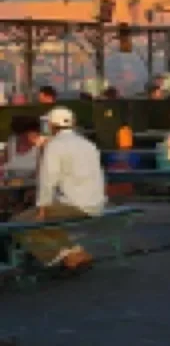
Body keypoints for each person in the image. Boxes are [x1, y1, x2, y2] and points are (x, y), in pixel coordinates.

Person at [12, 107, 105, 271]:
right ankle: (76, 252)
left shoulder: (55, 145)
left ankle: (65, 257)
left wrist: (42, 207)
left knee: (18, 223)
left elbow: (48, 179)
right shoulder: (87, 144)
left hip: (75, 204)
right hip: (96, 202)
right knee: (46, 223)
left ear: (52, 126)